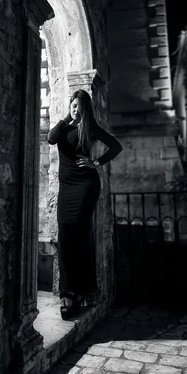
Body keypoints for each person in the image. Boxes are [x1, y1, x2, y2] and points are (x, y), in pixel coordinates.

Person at [47, 89, 123, 320]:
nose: (75, 108)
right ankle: (72, 290)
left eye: (79, 105)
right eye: (73, 104)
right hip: (66, 189)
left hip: (85, 187)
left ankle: (74, 292)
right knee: (66, 234)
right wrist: (65, 119)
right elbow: (50, 138)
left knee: (79, 236)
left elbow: (116, 146)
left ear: (85, 109)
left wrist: (96, 162)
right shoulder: (65, 128)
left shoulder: (90, 129)